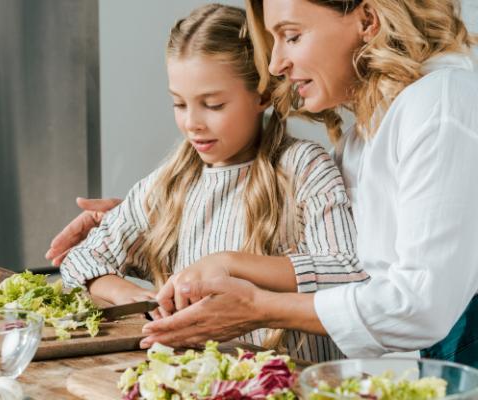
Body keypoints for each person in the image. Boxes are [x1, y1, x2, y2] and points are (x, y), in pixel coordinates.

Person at [48, 0, 478, 366]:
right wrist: (174, 217)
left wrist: (255, 306)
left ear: (367, 20)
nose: (274, 64)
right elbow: (381, 247)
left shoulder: (439, 104)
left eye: (291, 35)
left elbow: (414, 304)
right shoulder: (364, 135)